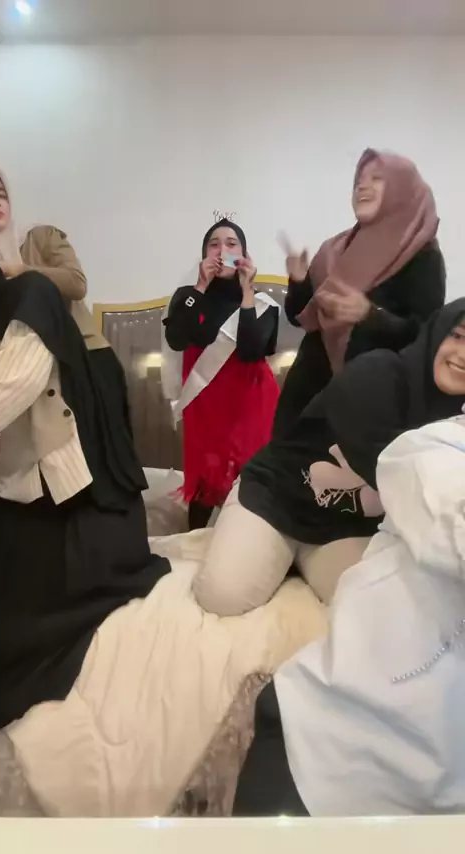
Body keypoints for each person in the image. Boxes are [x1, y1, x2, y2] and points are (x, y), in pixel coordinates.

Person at [233, 408, 465, 817]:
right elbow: (450, 526)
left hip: (444, 796)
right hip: (327, 752)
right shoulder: (429, 449)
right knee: (227, 590)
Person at [0, 246, 170, 729]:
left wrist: (18, 264)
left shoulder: (31, 289)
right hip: (22, 490)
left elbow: (1, 393)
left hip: (77, 497)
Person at [194, 301, 465, 617]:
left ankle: (294, 563)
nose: (462, 355)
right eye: (457, 336)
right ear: (437, 332)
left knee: (377, 613)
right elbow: (392, 465)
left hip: (347, 527)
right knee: (223, 598)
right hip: (277, 498)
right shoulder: (377, 373)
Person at [273, 149, 445, 438]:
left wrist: (370, 315)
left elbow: (425, 335)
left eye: (376, 178)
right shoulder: (335, 250)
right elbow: (300, 318)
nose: (362, 186)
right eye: (358, 181)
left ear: (402, 189)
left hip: (370, 403)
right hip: (306, 399)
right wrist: (299, 281)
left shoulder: (420, 254)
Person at [162, 218, 280, 530]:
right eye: (214, 244)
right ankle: (194, 542)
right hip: (205, 404)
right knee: (205, 479)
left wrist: (247, 291)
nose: (222, 250)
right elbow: (176, 338)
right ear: (204, 255)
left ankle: (249, 539)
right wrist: (200, 287)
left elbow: (251, 350)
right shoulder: (187, 296)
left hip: (251, 404)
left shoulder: (264, 304)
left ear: (244, 255)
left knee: (251, 477)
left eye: (231, 244)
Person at [0, 164, 99, 346]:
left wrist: (18, 270)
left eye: (2, 196)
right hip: (12, 353)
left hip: (82, 348)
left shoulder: (42, 236)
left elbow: (77, 284)